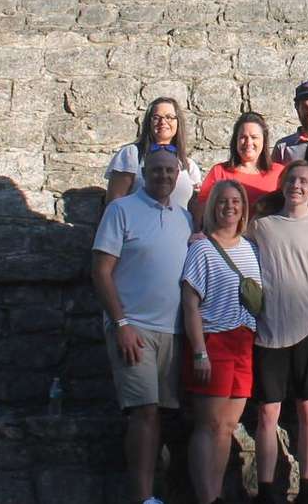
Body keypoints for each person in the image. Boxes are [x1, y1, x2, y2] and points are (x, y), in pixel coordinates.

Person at [91, 150, 194, 504]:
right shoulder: (121, 211)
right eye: (156, 170)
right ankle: (142, 498)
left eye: (169, 171)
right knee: (144, 412)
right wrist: (120, 323)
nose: (163, 176)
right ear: (142, 173)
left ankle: (156, 493)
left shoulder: (184, 218)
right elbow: (101, 271)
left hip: (174, 331)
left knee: (164, 416)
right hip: (134, 328)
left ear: (178, 175)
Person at [250, 161, 308, 504]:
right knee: (268, 413)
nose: (297, 185)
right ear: (282, 184)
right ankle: (267, 489)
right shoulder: (261, 227)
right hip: (269, 331)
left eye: (304, 181)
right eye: (291, 179)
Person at [182, 179, 263, 504]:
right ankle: (206, 497)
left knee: (228, 425)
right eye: (223, 202)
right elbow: (190, 303)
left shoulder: (251, 248)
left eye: (236, 202)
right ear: (213, 206)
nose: (230, 207)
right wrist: (199, 351)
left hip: (244, 341)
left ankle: (214, 494)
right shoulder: (201, 247)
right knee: (209, 424)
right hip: (213, 341)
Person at [107, 96, 204, 210]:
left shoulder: (188, 164)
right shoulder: (132, 154)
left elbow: (194, 208)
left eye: (169, 117)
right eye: (156, 117)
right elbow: (114, 204)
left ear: (178, 122)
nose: (163, 122)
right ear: (149, 122)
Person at [198, 111, 282, 219]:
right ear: (235, 141)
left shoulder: (280, 173)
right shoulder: (219, 172)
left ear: (264, 141)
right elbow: (202, 211)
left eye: (254, 137)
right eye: (243, 137)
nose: (248, 142)